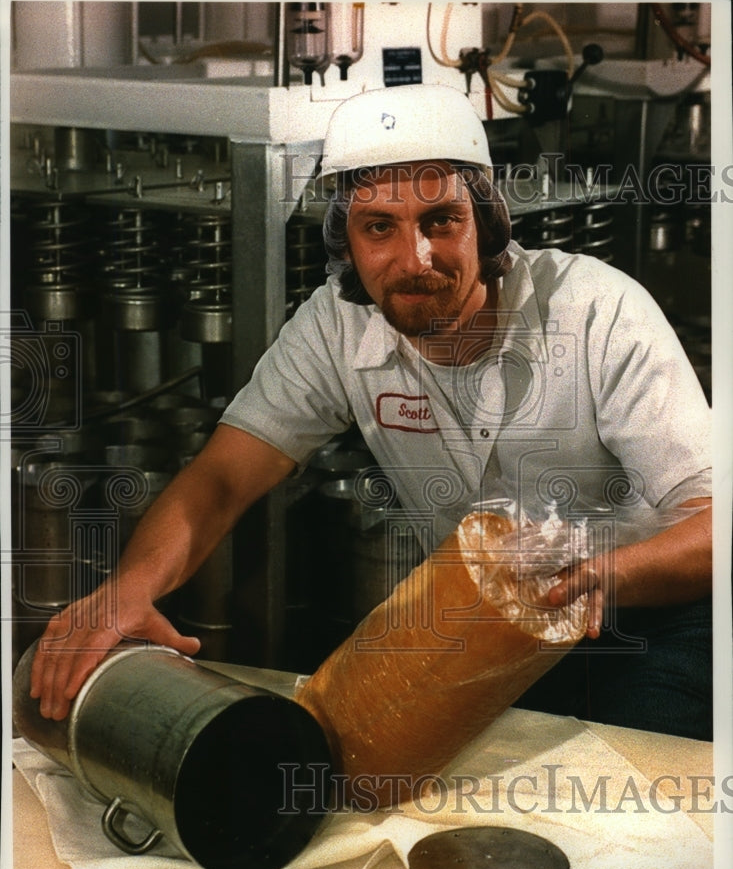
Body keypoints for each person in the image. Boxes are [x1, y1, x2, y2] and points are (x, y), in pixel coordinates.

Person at [30, 84, 712, 739]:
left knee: (624, 809)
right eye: (379, 227)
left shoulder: (596, 311)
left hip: (649, 622)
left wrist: (592, 578)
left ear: (488, 219)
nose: (414, 259)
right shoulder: (336, 327)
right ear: (346, 242)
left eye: (439, 220)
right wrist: (126, 591)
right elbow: (221, 478)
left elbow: (714, 525)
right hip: (482, 629)